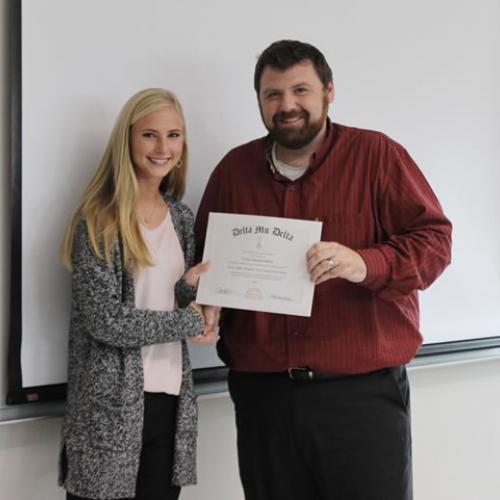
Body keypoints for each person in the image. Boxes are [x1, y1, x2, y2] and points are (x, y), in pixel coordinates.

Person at [194, 40, 452, 500]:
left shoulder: (377, 156)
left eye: (301, 90)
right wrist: (205, 297)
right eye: (272, 94)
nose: (287, 105)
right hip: (263, 399)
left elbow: (435, 242)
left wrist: (365, 262)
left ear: (329, 92)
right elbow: (203, 261)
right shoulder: (234, 171)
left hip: (360, 398)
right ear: (258, 101)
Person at [59, 88, 219, 500]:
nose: (163, 147)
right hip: (109, 410)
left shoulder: (181, 218)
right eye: (150, 135)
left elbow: (166, 300)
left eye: (174, 135)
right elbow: (105, 320)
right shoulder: (99, 219)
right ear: (127, 141)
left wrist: (193, 293)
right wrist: (189, 319)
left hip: (170, 400)